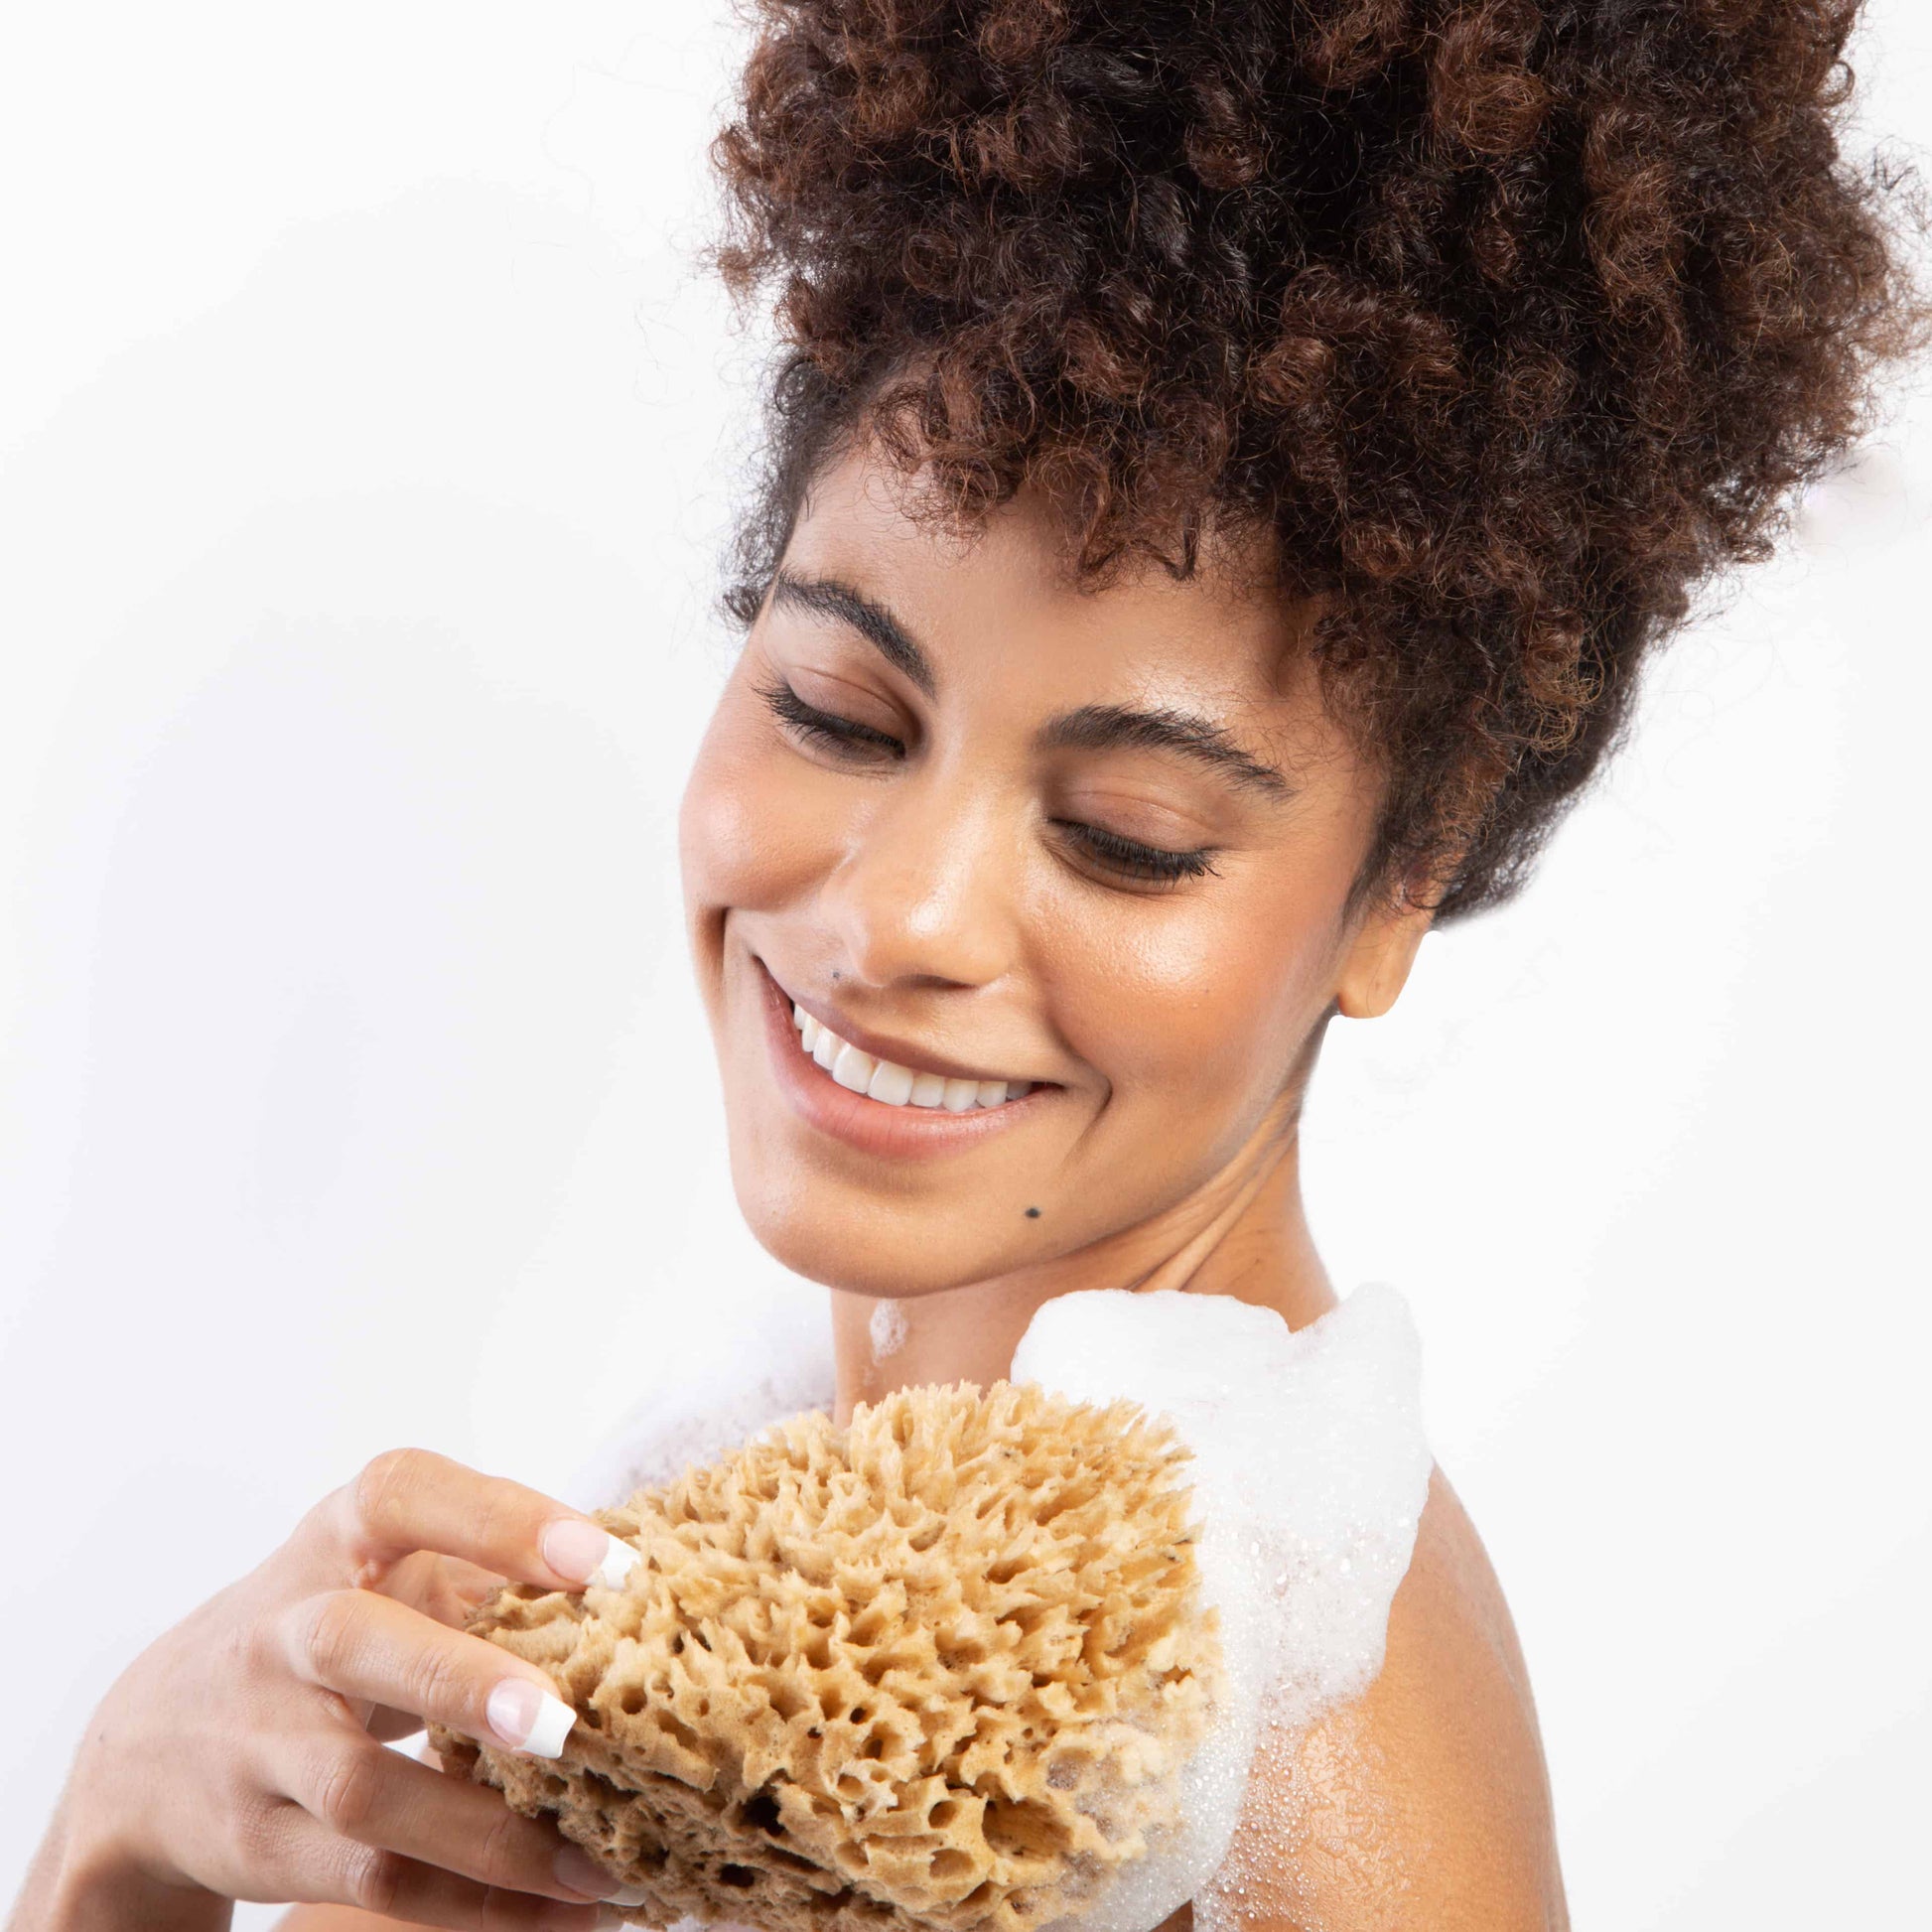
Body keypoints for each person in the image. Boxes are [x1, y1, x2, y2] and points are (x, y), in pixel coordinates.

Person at [11, 2, 1924, 1929]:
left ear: (1392, 888)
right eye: (837, 710)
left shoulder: (1271, 1731)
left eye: (1125, 837)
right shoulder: (777, 1522)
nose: (897, 917)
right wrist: (119, 1824)